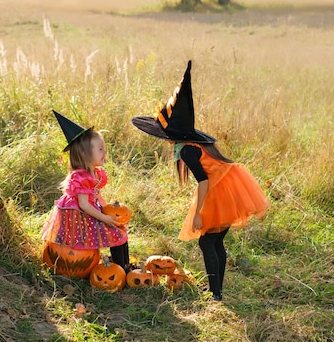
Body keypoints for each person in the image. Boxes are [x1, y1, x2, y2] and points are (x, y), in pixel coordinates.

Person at [131, 61, 270, 301]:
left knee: (208, 243)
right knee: (215, 243)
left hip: (219, 191)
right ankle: (217, 291)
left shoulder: (187, 151)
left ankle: (215, 293)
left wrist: (198, 213)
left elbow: (204, 182)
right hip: (232, 187)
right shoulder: (197, 145)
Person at [42, 110, 131, 271]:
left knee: (119, 231)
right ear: (85, 154)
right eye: (100, 150)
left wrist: (108, 210)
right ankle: (120, 269)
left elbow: (97, 195)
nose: (105, 152)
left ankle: (124, 266)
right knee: (113, 233)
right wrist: (104, 217)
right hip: (78, 216)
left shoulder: (95, 173)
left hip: (92, 211)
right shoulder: (81, 176)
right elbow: (83, 204)